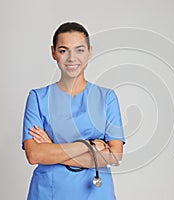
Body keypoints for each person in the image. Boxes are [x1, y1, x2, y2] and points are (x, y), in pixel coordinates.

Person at [22, 22, 125, 200]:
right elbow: (34, 154)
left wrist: (52, 150)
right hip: (49, 192)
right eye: (63, 50)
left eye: (79, 50)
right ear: (53, 52)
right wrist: (89, 146)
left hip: (96, 194)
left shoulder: (106, 98)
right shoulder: (38, 98)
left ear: (90, 52)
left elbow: (114, 155)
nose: (71, 58)